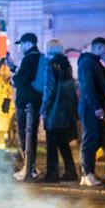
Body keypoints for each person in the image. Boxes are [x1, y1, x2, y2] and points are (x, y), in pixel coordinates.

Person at [40, 40, 78, 183]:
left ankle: (52, 173)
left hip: (54, 110)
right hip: (65, 109)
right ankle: (70, 171)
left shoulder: (50, 65)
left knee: (52, 144)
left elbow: (49, 89)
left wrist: (44, 108)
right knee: (63, 142)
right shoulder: (66, 64)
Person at [78, 37, 105, 187]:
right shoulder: (87, 63)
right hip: (90, 107)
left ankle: (89, 173)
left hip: (95, 106)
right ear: (98, 48)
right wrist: (96, 106)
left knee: (97, 138)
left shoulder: (96, 63)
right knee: (90, 139)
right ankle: (87, 174)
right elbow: (88, 87)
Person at [12, 33, 44, 181]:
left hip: (25, 103)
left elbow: (21, 80)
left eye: (22, 44)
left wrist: (15, 76)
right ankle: (30, 167)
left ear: (29, 43)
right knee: (31, 134)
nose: (20, 47)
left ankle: (29, 168)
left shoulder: (29, 58)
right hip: (36, 101)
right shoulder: (41, 57)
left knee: (25, 135)